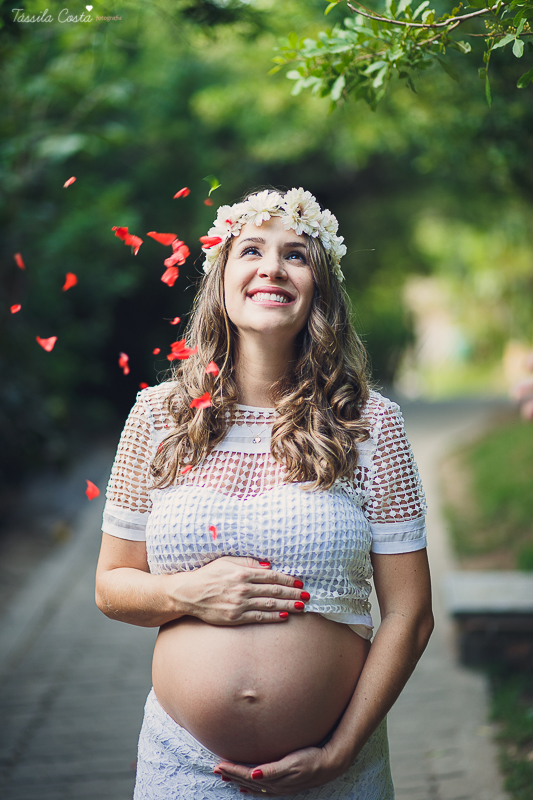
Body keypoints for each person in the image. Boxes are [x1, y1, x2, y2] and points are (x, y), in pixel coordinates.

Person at [95, 187, 434, 799]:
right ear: (221, 280)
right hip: (185, 765)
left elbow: (409, 615)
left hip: (334, 768)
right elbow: (112, 586)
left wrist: (341, 750)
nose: (272, 267)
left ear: (319, 288)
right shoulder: (157, 417)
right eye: (251, 249)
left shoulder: (371, 424)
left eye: (297, 255)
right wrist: (187, 594)